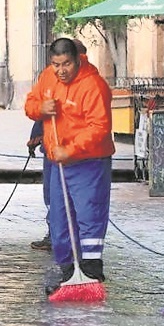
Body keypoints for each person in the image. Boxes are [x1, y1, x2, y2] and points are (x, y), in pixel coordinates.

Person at [24, 37, 114, 293]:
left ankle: (91, 272)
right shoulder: (47, 78)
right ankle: (68, 272)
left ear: (77, 60)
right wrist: (40, 108)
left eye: (66, 64)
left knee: (88, 216)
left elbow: (100, 128)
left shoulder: (93, 86)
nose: (61, 70)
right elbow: (30, 104)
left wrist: (71, 149)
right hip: (58, 162)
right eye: (56, 64)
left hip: (89, 162)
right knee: (59, 218)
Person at [26, 119, 51, 250]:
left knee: (54, 196)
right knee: (53, 197)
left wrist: (35, 138)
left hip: (59, 153)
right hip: (54, 150)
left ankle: (56, 236)